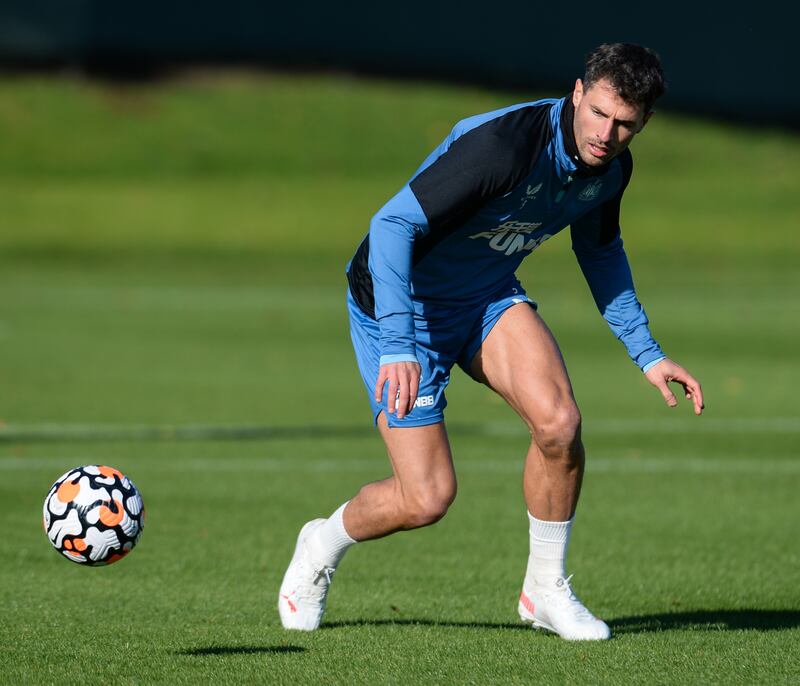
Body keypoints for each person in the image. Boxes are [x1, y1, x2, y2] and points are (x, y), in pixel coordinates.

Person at [278, 42, 704, 641]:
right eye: (600, 112)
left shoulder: (610, 169)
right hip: (400, 306)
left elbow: (600, 250)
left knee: (559, 425)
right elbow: (391, 227)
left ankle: (546, 591)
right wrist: (399, 343)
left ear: (645, 123)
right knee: (425, 498)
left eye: (626, 123)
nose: (607, 134)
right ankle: (321, 542)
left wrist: (648, 352)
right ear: (577, 94)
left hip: (484, 296)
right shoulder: (504, 147)